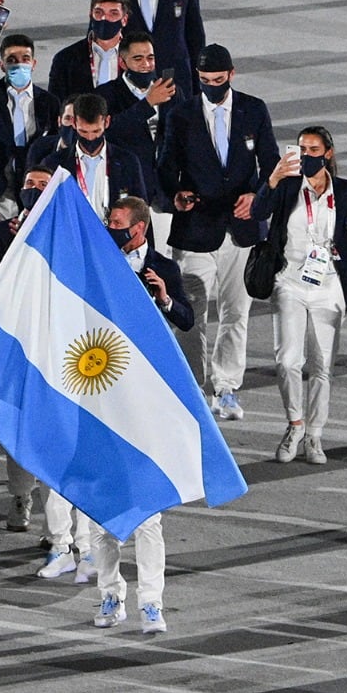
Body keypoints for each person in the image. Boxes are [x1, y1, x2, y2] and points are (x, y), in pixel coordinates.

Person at [85, 197, 193, 636]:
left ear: (140, 228)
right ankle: (110, 594)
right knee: (100, 514)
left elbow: (187, 318)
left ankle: (151, 602)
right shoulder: (97, 263)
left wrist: (164, 299)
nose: (110, 229)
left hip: (147, 404)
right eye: (109, 221)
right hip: (103, 398)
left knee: (148, 516)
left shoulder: (163, 268)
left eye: (117, 223)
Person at [159, 43, 280, 419]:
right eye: (205, 80)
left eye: (218, 79)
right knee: (191, 313)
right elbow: (165, 167)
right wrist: (175, 196)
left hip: (241, 231)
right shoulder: (181, 115)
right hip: (196, 229)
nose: (211, 86)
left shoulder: (254, 110)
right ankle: (194, 389)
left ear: (231, 74)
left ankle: (226, 388)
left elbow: (272, 165)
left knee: (236, 312)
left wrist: (256, 198)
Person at [251, 127, 347, 464]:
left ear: (328, 153)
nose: (306, 155)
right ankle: (295, 424)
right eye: (302, 149)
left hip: (330, 285)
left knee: (322, 366)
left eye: (313, 149)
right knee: (287, 360)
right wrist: (273, 179)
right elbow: (257, 212)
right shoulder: (287, 186)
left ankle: (315, 435)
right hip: (289, 282)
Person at [95, 30, 183, 233]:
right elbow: (107, 133)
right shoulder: (106, 95)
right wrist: (147, 104)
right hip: (128, 193)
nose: (146, 64)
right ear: (123, 62)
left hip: (165, 193)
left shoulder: (172, 92)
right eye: (138, 59)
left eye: (150, 58)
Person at [0, 34, 60, 219]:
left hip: (33, 185)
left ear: (34, 63)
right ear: (1, 65)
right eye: (12, 60)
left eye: (25, 59)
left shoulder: (50, 102)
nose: (19, 65)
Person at [43, 92, 147, 218]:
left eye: (96, 131)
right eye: (83, 131)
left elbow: (141, 211)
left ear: (106, 122)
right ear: (74, 123)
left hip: (111, 229)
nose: (90, 137)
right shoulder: (54, 164)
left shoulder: (127, 161)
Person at [47, 0, 130, 102]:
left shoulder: (137, 56)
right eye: (99, 13)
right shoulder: (65, 59)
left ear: (124, 20)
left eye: (113, 14)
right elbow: (56, 104)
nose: (104, 18)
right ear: (91, 15)